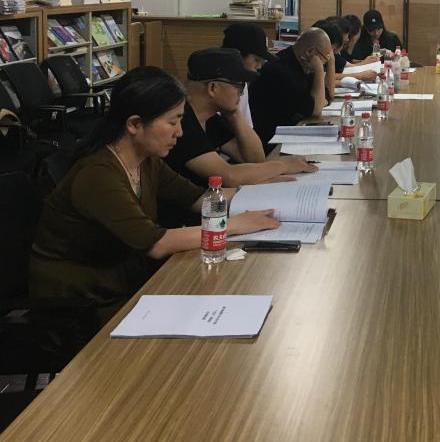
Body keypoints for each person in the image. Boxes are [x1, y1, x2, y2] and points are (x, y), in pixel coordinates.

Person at [30, 67, 280, 323]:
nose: (179, 132)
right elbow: (157, 243)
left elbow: (199, 198)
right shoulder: (98, 175)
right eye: (172, 122)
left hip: (124, 281)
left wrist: (275, 197)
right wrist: (235, 225)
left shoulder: (146, 161)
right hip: (82, 300)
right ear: (134, 124)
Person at [163, 48, 317, 190]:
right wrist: (283, 165)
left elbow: (255, 159)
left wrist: (235, 114)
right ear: (213, 88)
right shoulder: (182, 124)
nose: (242, 93)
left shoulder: (210, 119)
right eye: (239, 85)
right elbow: (229, 176)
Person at [249, 27, 334, 147]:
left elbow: (327, 96)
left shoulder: (302, 64)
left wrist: (318, 100)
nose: (323, 64)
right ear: (310, 52)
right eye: (324, 60)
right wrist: (319, 71)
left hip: (290, 132)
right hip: (271, 142)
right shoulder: (280, 71)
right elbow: (316, 110)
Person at [221, 22, 274, 129]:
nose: (259, 66)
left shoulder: (242, 83)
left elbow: (246, 128)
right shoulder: (219, 84)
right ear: (237, 55)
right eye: (256, 60)